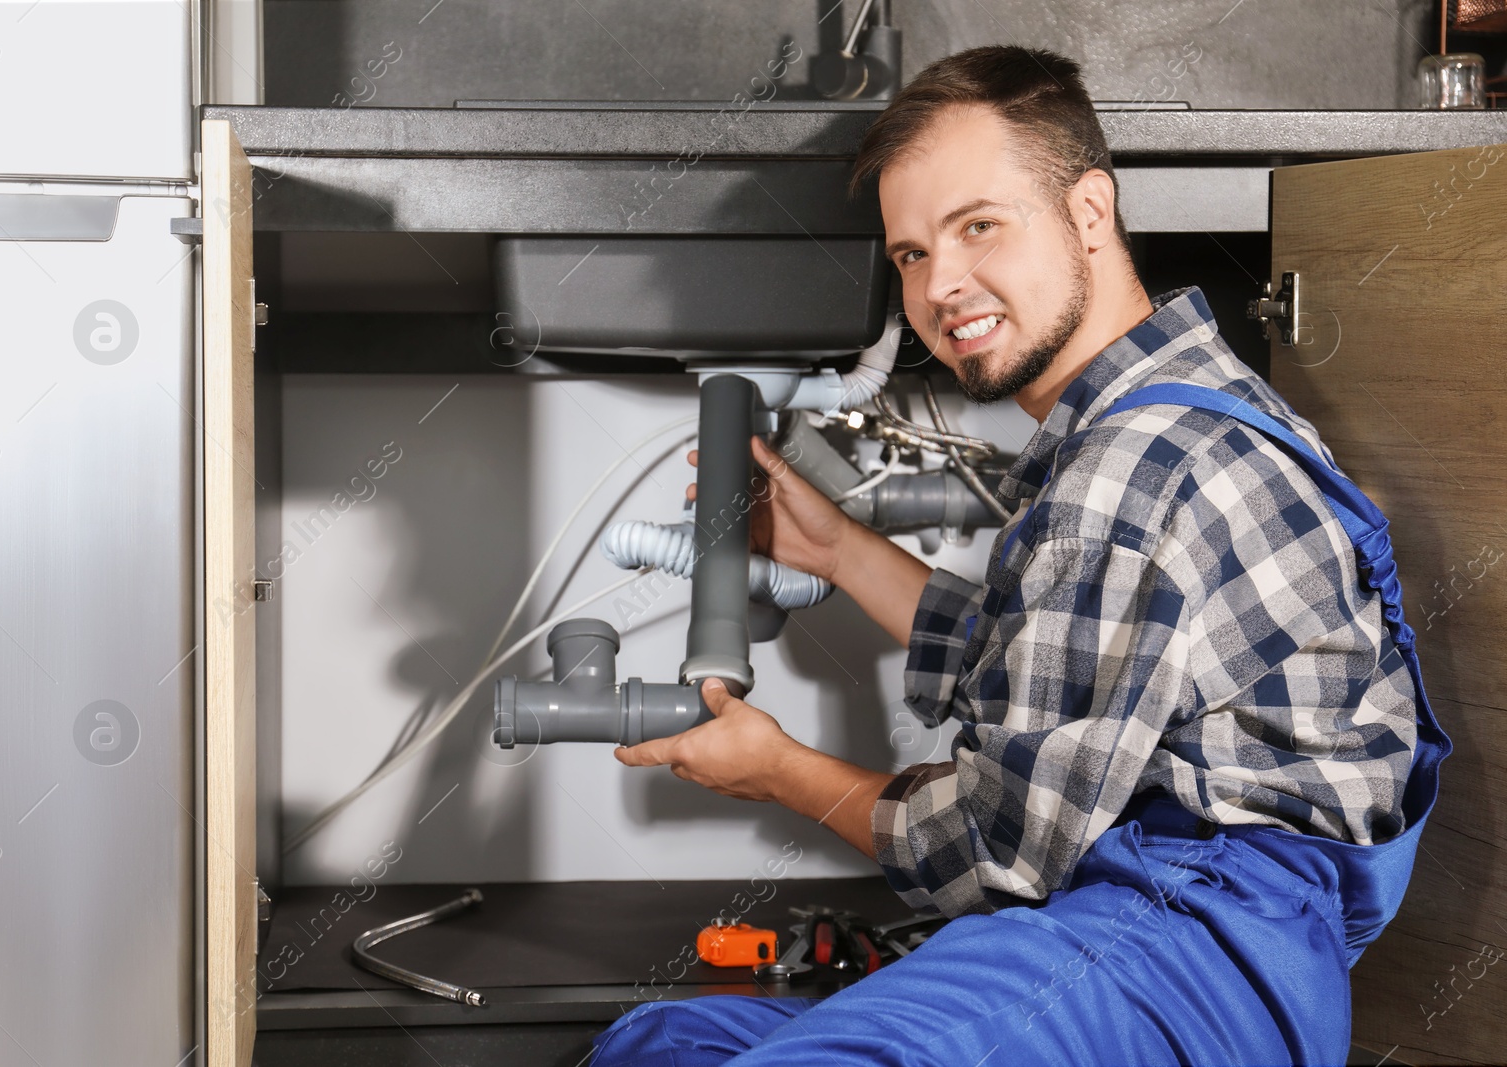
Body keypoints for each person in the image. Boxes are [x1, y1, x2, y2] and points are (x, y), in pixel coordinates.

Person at [593, 45, 1448, 1067]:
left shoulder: (1129, 469)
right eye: (910, 253)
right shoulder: (1183, 409)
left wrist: (780, 769)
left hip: (1190, 956)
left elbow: (996, 850)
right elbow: (1053, 661)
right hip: (1145, 923)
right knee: (667, 1036)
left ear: (1089, 211)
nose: (942, 285)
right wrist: (841, 547)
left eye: (977, 226)